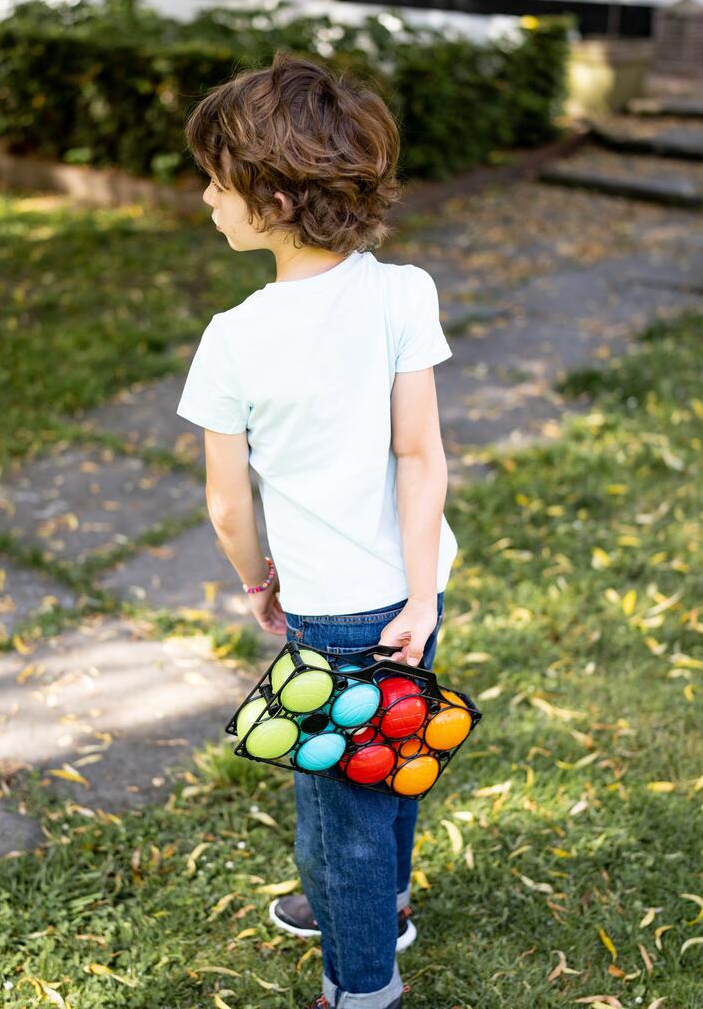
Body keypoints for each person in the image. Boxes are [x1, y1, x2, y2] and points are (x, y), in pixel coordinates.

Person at [176, 49, 459, 1009]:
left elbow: (226, 507)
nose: (206, 196)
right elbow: (420, 454)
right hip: (413, 591)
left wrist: (259, 580)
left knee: (339, 810)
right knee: (397, 753)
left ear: (277, 201)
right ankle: (391, 903)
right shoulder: (403, 291)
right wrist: (421, 598)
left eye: (219, 180)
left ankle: (362, 983)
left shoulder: (233, 338)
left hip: (334, 618)